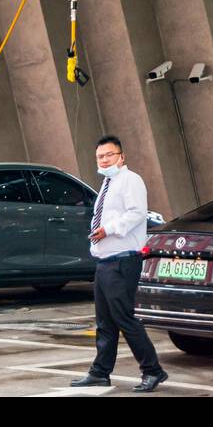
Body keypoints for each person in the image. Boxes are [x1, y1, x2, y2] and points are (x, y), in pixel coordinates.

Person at [70, 135, 169, 393]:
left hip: (123, 261)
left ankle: (153, 370)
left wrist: (108, 230)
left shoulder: (130, 180)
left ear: (121, 156)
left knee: (125, 318)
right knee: (105, 321)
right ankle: (100, 373)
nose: (104, 160)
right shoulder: (107, 183)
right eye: (100, 156)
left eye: (109, 155)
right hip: (105, 262)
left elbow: (137, 214)